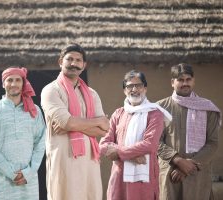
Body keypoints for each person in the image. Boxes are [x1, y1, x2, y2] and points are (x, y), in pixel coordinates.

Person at [41, 43, 109, 200]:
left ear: (84, 65)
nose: (73, 63)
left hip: (89, 161)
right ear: (60, 62)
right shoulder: (51, 90)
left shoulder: (92, 94)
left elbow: (104, 130)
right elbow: (68, 123)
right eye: (69, 59)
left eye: (78, 60)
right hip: (64, 159)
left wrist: (73, 124)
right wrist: (98, 120)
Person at [99, 70, 172, 200]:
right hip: (119, 175)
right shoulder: (118, 113)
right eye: (129, 86)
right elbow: (103, 144)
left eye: (138, 85)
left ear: (145, 88)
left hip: (144, 177)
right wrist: (131, 157)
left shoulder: (155, 114)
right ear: (124, 90)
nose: (134, 89)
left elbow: (150, 144)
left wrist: (119, 152)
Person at [157, 63, 221, 200]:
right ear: (172, 82)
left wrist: (189, 165)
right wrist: (178, 160)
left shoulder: (207, 108)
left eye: (188, 79)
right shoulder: (160, 108)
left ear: (193, 81)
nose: (185, 83)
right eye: (180, 80)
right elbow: (155, 141)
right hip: (170, 174)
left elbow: (212, 143)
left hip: (197, 175)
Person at [0, 67, 46, 200]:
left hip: (28, 179)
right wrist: (11, 173)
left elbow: (41, 142)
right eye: (9, 80)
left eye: (18, 80)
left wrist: (29, 172)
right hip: (0, 180)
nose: (14, 84)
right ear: (3, 83)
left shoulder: (35, 111)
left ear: (23, 83)